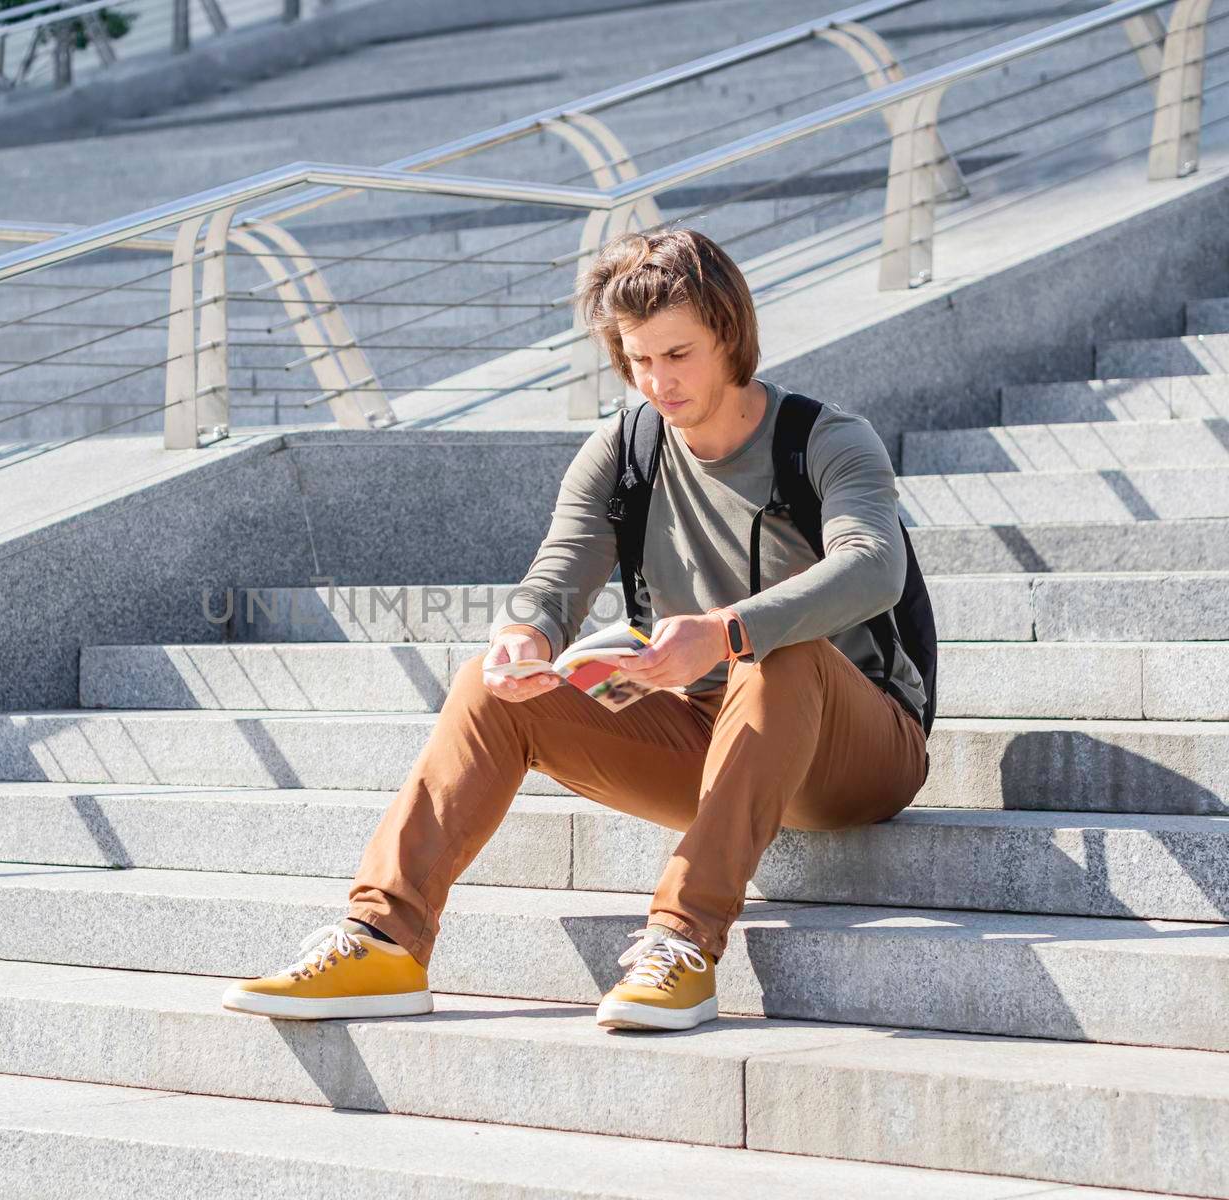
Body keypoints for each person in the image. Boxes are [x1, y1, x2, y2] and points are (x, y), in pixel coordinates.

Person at [222, 227, 929, 1032]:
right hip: (708, 737)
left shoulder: (826, 439)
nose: (658, 381)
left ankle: (683, 945)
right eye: (639, 360)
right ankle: (384, 939)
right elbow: (554, 576)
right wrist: (524, 637)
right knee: (489, 688)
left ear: (730, 335)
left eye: (679, 354)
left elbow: (875, 566)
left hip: (856, 747)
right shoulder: (624, 449)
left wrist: (727, 631)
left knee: (778, 651)